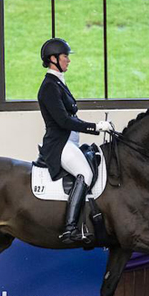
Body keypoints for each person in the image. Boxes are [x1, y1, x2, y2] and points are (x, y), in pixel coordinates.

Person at [37, 38, 112, 244]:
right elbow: (63, 120)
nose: (68, 60)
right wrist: (95, 127)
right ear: (53, 59)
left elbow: (71, 117)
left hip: (70, 143)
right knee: (85, 173)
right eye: (65, 57)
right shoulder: (49, 87)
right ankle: (69, 229)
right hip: (59, 145)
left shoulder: (59, 83)